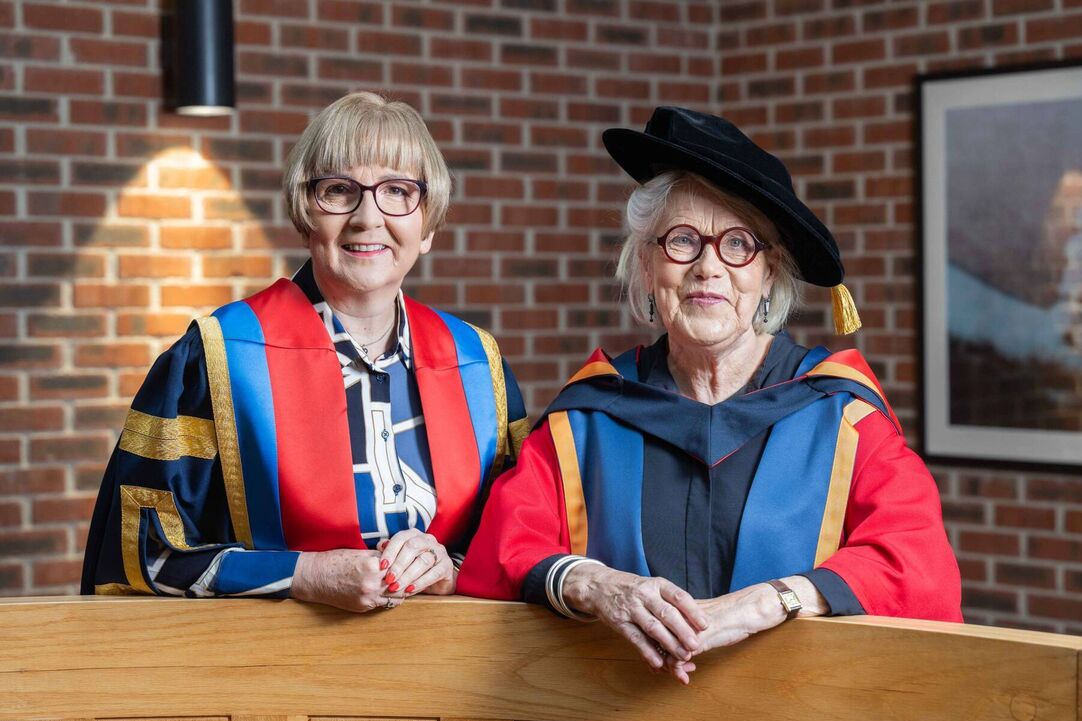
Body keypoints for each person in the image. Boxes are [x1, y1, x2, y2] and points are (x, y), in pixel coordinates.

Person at [458, 107, 961, 682]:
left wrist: (772, 601)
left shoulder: (841, 417)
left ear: (769, 273)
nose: (707, 267)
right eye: (681, 241)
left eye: (739, 244)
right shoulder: (588, 420)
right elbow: (496, 552)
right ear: (647, 266)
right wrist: (595, 583)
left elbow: (919, 568)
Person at [82, 92, 527, 612]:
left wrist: (449, 569)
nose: (368, 217)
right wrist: (304, 573)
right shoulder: (218, 358)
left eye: (398, 191)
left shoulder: (478, 365)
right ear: (303, 214)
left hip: (447, 681)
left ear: (426, 226)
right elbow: (142, 558)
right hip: (271, 676)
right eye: (339, 191)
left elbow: (518, 546)